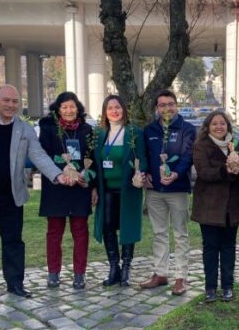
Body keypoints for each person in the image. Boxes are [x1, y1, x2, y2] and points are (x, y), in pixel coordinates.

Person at [0, 85, 73, 299]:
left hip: (11, 194)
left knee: (13, 241)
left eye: (15, 102)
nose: (11, 105)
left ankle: (15, 283)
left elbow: (38, 155)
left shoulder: (24, 128)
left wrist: (57, 175)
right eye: (6, 100)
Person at [140, 89, 197, 295]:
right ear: (157, 108)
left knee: (181, 234)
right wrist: (144, 173)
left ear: (177, 106)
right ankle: (160, 273)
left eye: (170, 104)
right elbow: (144, 155)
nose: (167, 108)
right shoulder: (150, 130)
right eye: (162, 105)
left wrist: (176, 174)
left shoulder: (187, 129)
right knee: (159, 233)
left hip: (177, 189)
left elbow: (187, 157)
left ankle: (181, 277)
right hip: (155, 190)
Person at [37, 92, 95, 290]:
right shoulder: (48, 129)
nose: (69, 111)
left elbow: (92, 159)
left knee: (80, 231)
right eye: (65, 107)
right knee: (54, 232)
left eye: (72, 107)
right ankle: (53, 272)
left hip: (80, 188)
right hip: (56, 187)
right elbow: (42, 155)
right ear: (58, 109)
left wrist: (84, 177)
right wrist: (63, 171)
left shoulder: (88, 130)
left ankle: (80, 273)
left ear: (78, 108)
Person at [92, 95, 147, 288]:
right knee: (107, 227)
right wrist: (93, 187)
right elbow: (93, 163)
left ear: (124, 109)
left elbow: (142, 158)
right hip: (106, 190)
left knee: (127, 226)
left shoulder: (134, 133)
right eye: (110, 108)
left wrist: (140, 174)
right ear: (105, 112)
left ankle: (126, 269)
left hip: (128, 189)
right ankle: (114, 267)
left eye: (117, 107)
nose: (114, 111)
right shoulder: (99, 134)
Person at [191, 110, 239, 302]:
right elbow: (204, 172)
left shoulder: (237, 145)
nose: (219, 127)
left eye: (222, 123)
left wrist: (238, 169)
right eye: (215, 124)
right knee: (211, 247)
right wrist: (226, 169)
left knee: (229, 246)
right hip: (209, 206)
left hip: (231, 205)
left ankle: (228, 286)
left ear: (228, 126)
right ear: (208, 127)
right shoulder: (200, 146)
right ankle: (210, 287)